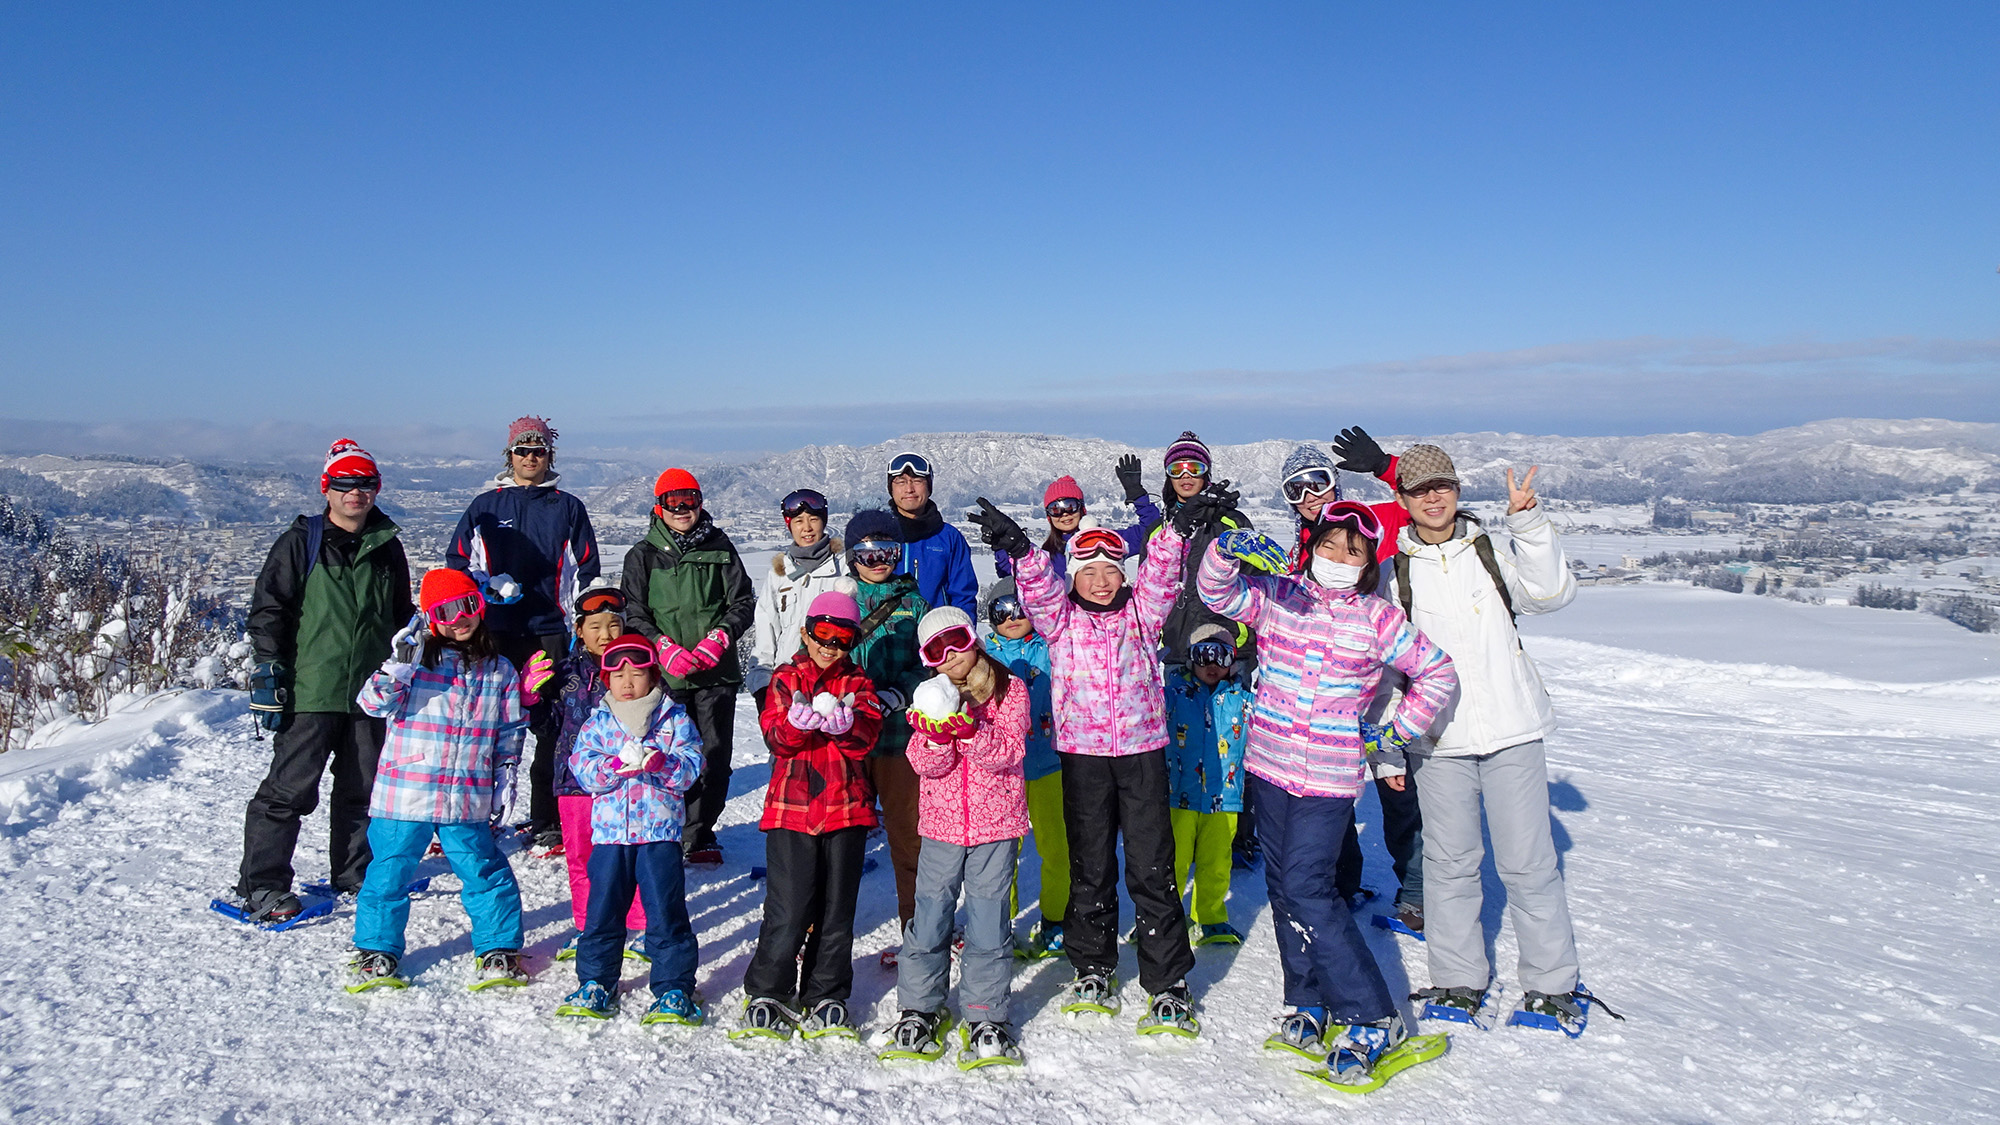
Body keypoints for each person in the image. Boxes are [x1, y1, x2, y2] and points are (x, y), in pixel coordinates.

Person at [1196, 501, 1458, 1086]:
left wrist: (1396, 732)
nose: (1339, 558)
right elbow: (1218, 595)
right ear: (1313, 549)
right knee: (1282, 886)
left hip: (1328, 775)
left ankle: (1370, 1013)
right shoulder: (1280, 595)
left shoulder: (1378, 619)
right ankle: (1307, 1000)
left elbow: (1437, 672)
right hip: (1267, 763)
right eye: (1331, 547)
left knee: (1311, 887)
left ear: (1368, 564)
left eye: (1354, 551)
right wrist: (1224, 551)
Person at [969, 487, 1232, 1037]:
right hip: (1083, 759)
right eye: (1088, 571)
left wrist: (1178, 530)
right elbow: (1039, 586)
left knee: (1151, 866)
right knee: (1091, 864)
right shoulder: (1059, 621)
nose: (1101, 580)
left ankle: (1167, 982)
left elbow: (1161, 575)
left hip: (1141, 755)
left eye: (1110, 569)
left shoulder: (1142, 614)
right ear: (1074, 578)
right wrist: (1020, 550)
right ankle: (1092, 966)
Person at [1382, 445, 1600, 1032]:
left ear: (1456, 491)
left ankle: (1552, 985)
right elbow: (1383, 672)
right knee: (1450, 864)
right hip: (1438, 741)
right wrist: (1385, 750)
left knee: (1529, 864)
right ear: (1403, 500)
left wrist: (1528, 525)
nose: (1433, 497)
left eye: (1443, 486)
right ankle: (1457, 980)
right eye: (1420, 489)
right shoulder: (1392, 575)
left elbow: (1553, 594)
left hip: (1511, 729)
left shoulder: (1491, 551)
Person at [234, 438, 412, 923]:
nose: (355, 492)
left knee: (362, 788)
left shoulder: (386, 547)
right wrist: (270, 667)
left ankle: (355, 872)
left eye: (365, 483)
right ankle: (262, 884)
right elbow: (270, 608)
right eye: (344, 483)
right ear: (327, 488)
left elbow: (400, 617)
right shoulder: (302, 541)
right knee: (289, 791)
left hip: (368, 693)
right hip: (312, 688)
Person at [346, 569, 530, 992]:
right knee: (389, 873)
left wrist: (505, 773)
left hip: (466, 793)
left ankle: (498, 947)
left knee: (483, 869)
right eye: (445, 611)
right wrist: (397, 668)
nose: (459, 619)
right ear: (431, 618)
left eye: (468, 606)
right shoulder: (415, 662)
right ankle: (377, 949)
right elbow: (372, 703)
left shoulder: (498, 669)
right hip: (405, 791)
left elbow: (510, 727)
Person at [1278, 441, 1426, 930]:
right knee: (1329, 792)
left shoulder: (1369, 523)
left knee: (1396, 785)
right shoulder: (1303, 547)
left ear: (1334, 482)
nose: (1308, 495)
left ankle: (1417, 891)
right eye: (1295, 489)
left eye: (1316, 481)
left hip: (1384, 679)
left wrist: (1387, 468)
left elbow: (1425, 498)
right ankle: (1340, 885)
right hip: (1330, 693)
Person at [883, 607, 1031, 1068]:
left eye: (956, 642)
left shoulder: (1009, 690)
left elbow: (1010, 751)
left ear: (973, 638)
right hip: (942, 826)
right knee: (929, 918)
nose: (950, 657)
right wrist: (935, 738)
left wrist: (971, 732)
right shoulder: (928, 695)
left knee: (988, 922)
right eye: (936, 650)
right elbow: (923, 764)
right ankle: (920, 1007)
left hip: (996, 826)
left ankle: (985, 1013)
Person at [446, 416, 600, 854]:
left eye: (539, 451)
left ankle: (546, 819)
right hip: (493, 631)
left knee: (551, 727)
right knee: (482, 725)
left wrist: (581, 623)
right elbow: (455, 563)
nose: (530, 458)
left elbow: (588, 567)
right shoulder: (485, 506)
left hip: (549, 630)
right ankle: (467, 819)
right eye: (522, 451)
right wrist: (484, 584)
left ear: (550, 456)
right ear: (509, 455)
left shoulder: (567, 506)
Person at [738, 591, 885, 1040]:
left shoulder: (859, 683)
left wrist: (848, 728)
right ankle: (769, 990)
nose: (831, 646)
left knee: (836, 910)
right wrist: (796, 726)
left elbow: (866, 737)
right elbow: (776, 738)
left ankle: (826, 994)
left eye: (842, 639)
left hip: (846, 811)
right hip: (792, 813)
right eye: (823, 634)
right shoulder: (786, 679)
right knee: (789, 907)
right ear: (806, 631)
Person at [555, 634, 708, 1024]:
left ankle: (674, 986)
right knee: (602, 912)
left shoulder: (673, 719)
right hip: (610, 837)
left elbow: (691, 765)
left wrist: (664, 766)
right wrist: (609, 769)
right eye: (617, 674)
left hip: (659, 835)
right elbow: (582, 766)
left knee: (665, 911)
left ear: (653, 675)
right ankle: (596, 981)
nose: (627, 682)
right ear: (606, 680)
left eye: (636, 673)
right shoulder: (599, 721)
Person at [618, 468, 756, 865]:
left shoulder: (720, 547)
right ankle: (664, 828)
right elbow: (634, 612)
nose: (682, 509)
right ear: (658, 507)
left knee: (713, 756)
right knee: (666, 754)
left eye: (689, 501)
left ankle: (698, 833)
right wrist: (661, 646)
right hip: (667, 675)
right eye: (673, 502)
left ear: (700, 503)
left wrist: (721, 636)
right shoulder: (642, 555)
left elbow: (742, 601)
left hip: (716, 673)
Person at [534, 580, 648, 957]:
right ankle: (587, 925)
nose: (605, 634)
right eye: (595, 626)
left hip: (625, 785)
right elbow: (548, 726)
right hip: (574, 785)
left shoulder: (639, 671)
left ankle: (641, 926)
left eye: (613, 625)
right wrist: (531, 699)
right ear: (579, 631)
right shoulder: (565, 674)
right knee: (581, 857)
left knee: (629, 858)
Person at [842, 508, 932, 955]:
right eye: (866, 551)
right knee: (838, 841)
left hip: (900, 738)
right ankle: (822, 933)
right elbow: (817, 658)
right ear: (850, 554)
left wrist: (901, 692)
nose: (878, 559)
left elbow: (933, 662)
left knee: (909, 837)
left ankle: (918, 931)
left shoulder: (915, 604)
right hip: (848, 738)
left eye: (887, 550)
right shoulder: (839, 601)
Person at [981, 578, 1066, 958]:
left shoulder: (1050, 648)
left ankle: (1055, 918)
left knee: (1056, 846)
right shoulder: (983, 656)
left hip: (1048, 761)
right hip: (1002, 770)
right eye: (1002, 611)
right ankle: (1002, 921)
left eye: (1021, 609)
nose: (1013, 617)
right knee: (1002, 852)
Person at [1162, 623, 1252, 947]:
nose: (1211, 665)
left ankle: (1210, 916)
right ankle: (1165, 917)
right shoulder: (1173, 695)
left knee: (1217, 862)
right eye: (1203, 655)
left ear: (1232, 660)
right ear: (1190, 659)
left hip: (1224, 797)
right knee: (1174, 860)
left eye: (1221, 655)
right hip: (1179, 794)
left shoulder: (1242, 701)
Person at [1154, 431, 1257, 668]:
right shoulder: (1158, 530)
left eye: (1195, 468)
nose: (1186, 476)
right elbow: (1151, 592)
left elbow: (1255, 584)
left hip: (1230, 650)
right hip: (1177, 649)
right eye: (1177, 470)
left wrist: (1249, 644)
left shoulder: (1232, 523)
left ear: (1206, 472)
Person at [746, 488, 849, 715]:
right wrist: (762, 687)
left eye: (813, 519)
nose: (807, 528)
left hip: (833, 684)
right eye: (799, 521)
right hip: (786, 683)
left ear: (824, 521)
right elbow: (766, 634)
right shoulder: (779, 575)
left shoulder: (844, 569)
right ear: (789, 525)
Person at [992, 457, 1162, 580]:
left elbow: (1151, 531)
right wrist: (1001, 545)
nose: (1064, 513)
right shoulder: (1046, 555)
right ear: (1049, 516)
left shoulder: (1107, 541)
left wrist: (1138, 496)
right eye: (1055, 509)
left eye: (1070, 505)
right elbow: (1012, 572)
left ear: (1082, 509)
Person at [884, 451, 978, 618]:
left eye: (917, 481)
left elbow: (963, 596)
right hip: (885, 636)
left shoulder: (948, 537)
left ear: (929, 487)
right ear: (891, 488)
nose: (909, 489)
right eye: (901, 482)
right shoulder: (878, 535)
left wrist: (961, 638)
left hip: (936, 636)